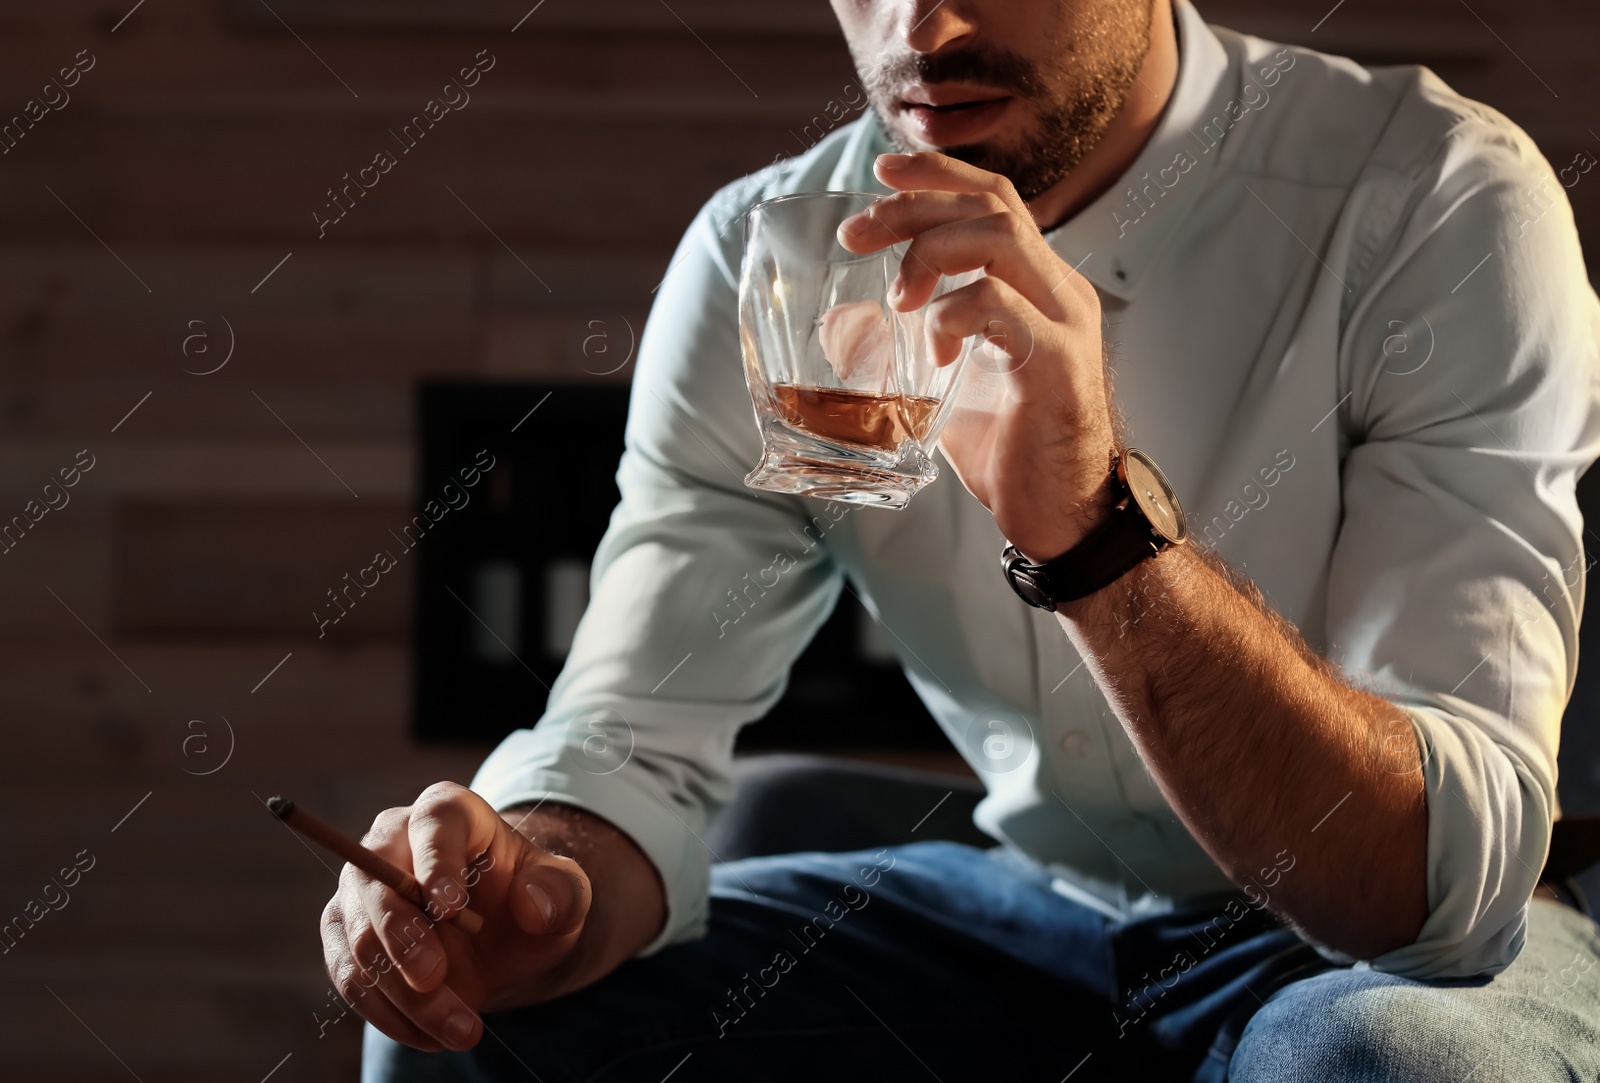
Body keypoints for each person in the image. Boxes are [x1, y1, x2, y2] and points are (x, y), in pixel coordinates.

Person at [330, 0, 1600, 1079]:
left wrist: (1095, 534)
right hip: (1029, 904)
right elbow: (632, 739)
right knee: (483, 1030)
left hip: (1368, 947)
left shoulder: (1431, 198)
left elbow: (1436, 896)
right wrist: (524, 878)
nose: (922, 30)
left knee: (1390, 1061)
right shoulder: (765, 252)